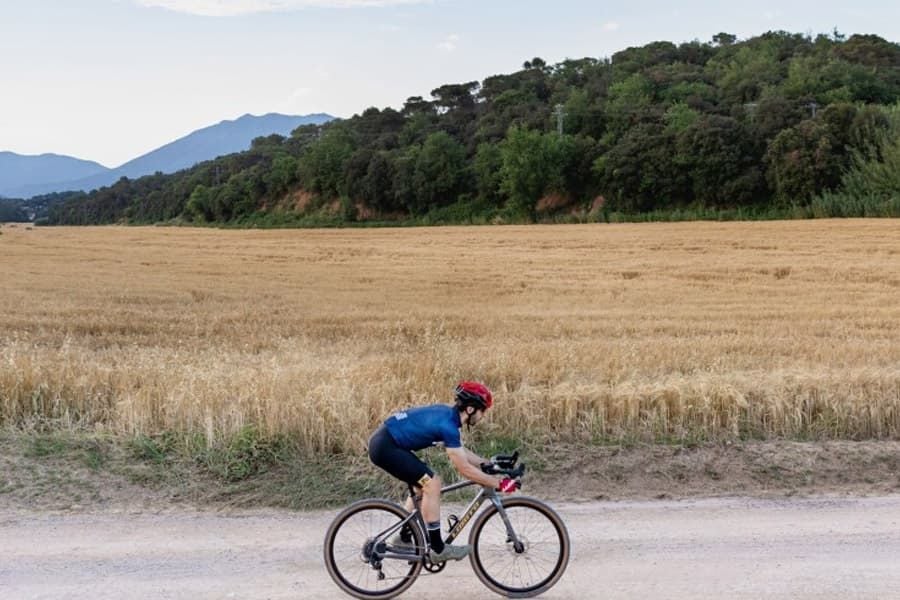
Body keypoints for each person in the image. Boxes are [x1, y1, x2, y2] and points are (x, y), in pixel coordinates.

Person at [367, 381, 519, 562]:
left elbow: (459, 451)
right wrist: (499, 484)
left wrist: (487, 464)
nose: (483, 415)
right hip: (386, 447)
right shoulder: (448, 425)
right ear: (470, 409)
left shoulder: (448, 417)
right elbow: (464, 469)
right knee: (433, 484)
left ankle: (404, 537)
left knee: (421, 488)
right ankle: (438, 549)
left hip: (385, 443)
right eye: (483, 410)